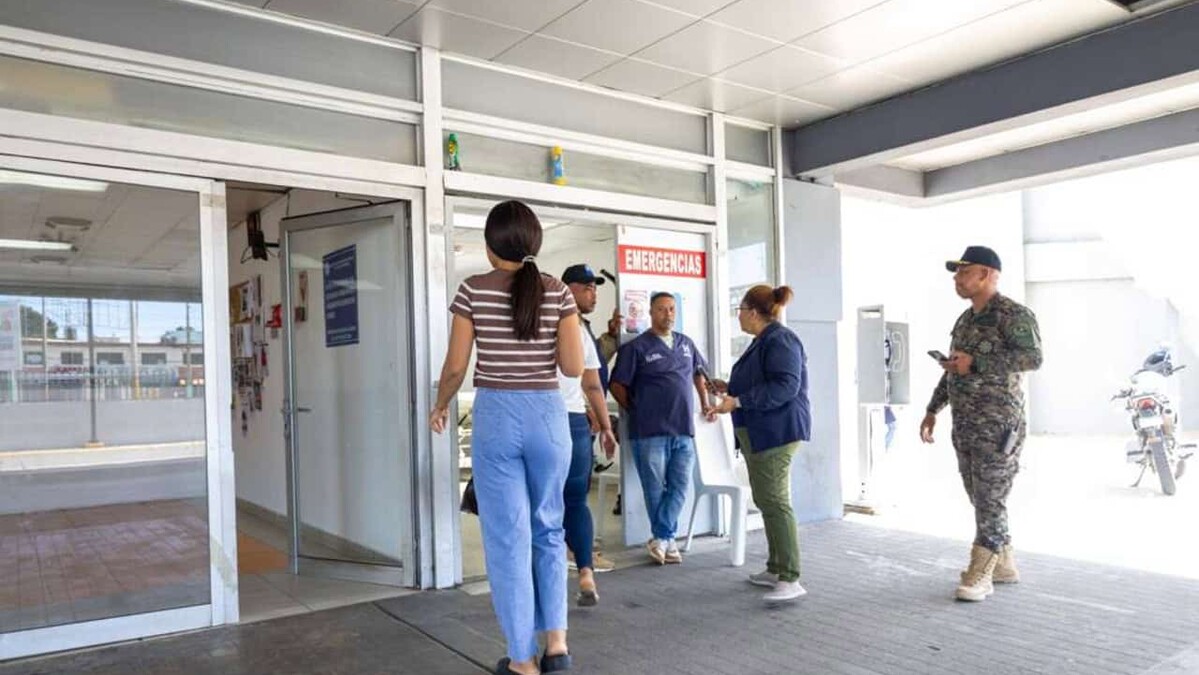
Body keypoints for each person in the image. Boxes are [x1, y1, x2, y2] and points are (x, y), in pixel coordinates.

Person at [430, 200, 584, 675]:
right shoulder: (558, 292)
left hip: (497, 416)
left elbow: (457, 366)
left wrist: (440, 406)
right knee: (549, 528)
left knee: (507, 537)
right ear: (533, 243)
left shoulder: (472, 290)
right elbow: (573, 368)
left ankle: (522, 658)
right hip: (548, 416)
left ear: (490, 244)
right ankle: (556, 646)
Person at [920, 245, 1042, 603]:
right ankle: (1003, 563)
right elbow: (956, 367)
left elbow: (1033, 358)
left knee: (990, 498)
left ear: (987, 274)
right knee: (980, 496)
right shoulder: (965, 320)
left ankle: (980, 572)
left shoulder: (1013, 315)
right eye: (957, 273)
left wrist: (976, 364)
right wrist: (933, 409)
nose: (957, 279)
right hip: (966, 423)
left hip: (999, 425)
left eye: (964, 271)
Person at [710, 285, 810, 603]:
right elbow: (762, 380)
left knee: (776, 501)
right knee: (767, 501)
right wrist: (728, 387)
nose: (737, 315)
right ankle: (776, 567)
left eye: (739, 309)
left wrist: (738, 401)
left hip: (776, 433)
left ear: (753, 312)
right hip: (760, 432)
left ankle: (791, 577)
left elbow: (785, 386)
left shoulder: (781, 340)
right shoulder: (763, 342)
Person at [609, 292, 713, 565]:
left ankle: (662, 538)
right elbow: (617, 384)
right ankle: (667, 540)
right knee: (654, 488)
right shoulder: (636, 348)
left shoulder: (686, 344)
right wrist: (636, 408)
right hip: (649, 431)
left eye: (671, 309)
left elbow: (699, 374)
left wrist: (705, 403)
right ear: (651, 314)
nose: (668, 314)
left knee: (679, 486)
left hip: (683, 429)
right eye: (662, 309)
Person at [558, 264, 620, 590]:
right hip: (569, 421)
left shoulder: (534, 324)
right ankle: (585, 571)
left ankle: (554, 565)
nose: (592, 292)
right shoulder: (576, 330)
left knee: (544, 500)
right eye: (586, 287)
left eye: (594, 287)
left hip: (545, 420)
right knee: (573, 500)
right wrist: (607, 427)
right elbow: (592, 384)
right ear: (565, 289)